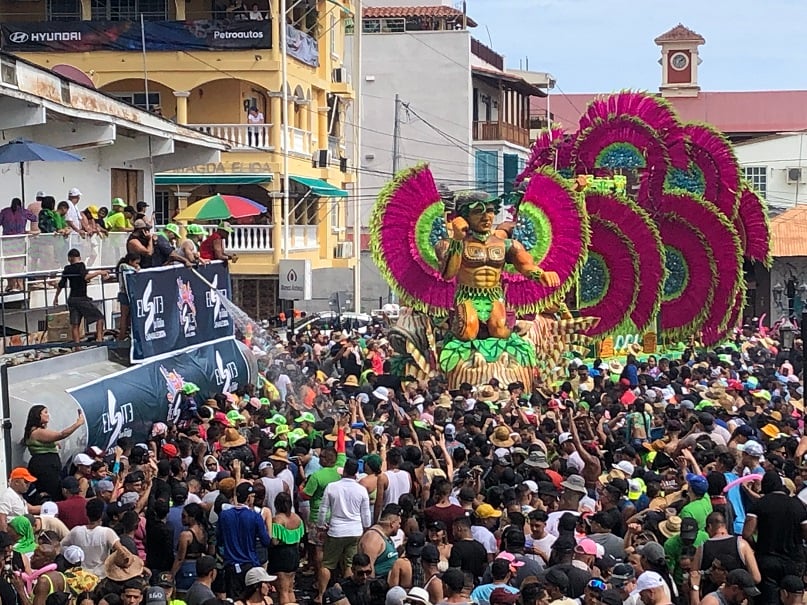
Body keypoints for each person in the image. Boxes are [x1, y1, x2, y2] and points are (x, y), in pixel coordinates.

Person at [434, 191, 559, 341]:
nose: (486, 217)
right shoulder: (448, 244)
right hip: (467, 296)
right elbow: (448, 273)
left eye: (490, 211)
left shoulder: (505, 244)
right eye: (478, 211)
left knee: (500, 332)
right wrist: (457, 240)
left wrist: (541, 274)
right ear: (464, 216)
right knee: (467, 332)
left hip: (494, 296)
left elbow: (525, 265)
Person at [742, 471, 807, 605]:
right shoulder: (798, 505)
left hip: (767, 561)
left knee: (769, 600)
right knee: (793, 598)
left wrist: (756, 546)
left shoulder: (759, 504)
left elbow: (747, 534)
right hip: (794, 561)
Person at [318, 458, 372, 603]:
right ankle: (349, 594)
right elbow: (366, 514)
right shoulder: (361, 490)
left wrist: (321, 526)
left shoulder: (332, 487)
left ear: (344, 471)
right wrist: (366, 527)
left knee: (328, 564)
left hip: (336, 530)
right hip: (354, 531)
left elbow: (323, 509)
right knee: (349, 564)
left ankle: (321, 594)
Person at [217, 482, 271, 597]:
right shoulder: (255, 516)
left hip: (231, 565)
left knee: (234, 600)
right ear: (248, 498)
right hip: (250, 564)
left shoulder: (224, 515)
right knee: (252, 598)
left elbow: (220, 539)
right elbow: (266, 541)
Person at [22, 405, 85, 502]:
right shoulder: (37, 432)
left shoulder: (37, 432)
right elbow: (62, 434)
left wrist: (52, 443)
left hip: (48, 464)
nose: (48, 415)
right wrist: (78, 424)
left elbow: (45, 440)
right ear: (38, 415)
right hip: (45, 466)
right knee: (52, 493)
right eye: (45, 412)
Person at [52, 248, 109, 344]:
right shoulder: (81, 265)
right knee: (99, 317)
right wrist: (99, 272)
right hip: (82, 298)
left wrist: (56, 297)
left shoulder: (67, 269)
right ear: (79, 257)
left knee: (75, 324)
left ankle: (77, 346)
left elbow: (61, 284)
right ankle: (99, 339)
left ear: (69, 258)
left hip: (72, 299)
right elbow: (85, 277)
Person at [61, 498, 126, 577]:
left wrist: (73, 557)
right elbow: (121, 551)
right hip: (101, 576)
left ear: (86, 514)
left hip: (80, 577)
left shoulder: (76, 531)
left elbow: (61, 546)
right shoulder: (107, 532)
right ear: (102, 514)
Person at [269, 492, 303, 605]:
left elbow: (274, 541)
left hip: (281, 555)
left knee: (282, 590)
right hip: (294, 553)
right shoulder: (297, 518)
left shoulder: (277, 519)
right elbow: (299, 539)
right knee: (290, 588)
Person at [171, 502, 209, 593]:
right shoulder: (203, 531)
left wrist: (171, 575)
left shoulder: (186, 535)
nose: (182, 519)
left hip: (186, 569)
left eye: (184, 516)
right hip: (199, 568)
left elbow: (180, 558)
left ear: (193, 517)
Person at [358, 504, 400, 580]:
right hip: (379, 583)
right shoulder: (373, 538)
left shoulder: (385, 536)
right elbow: (368, 570)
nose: (399, 526)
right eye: (399, 523)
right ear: (392, 523)